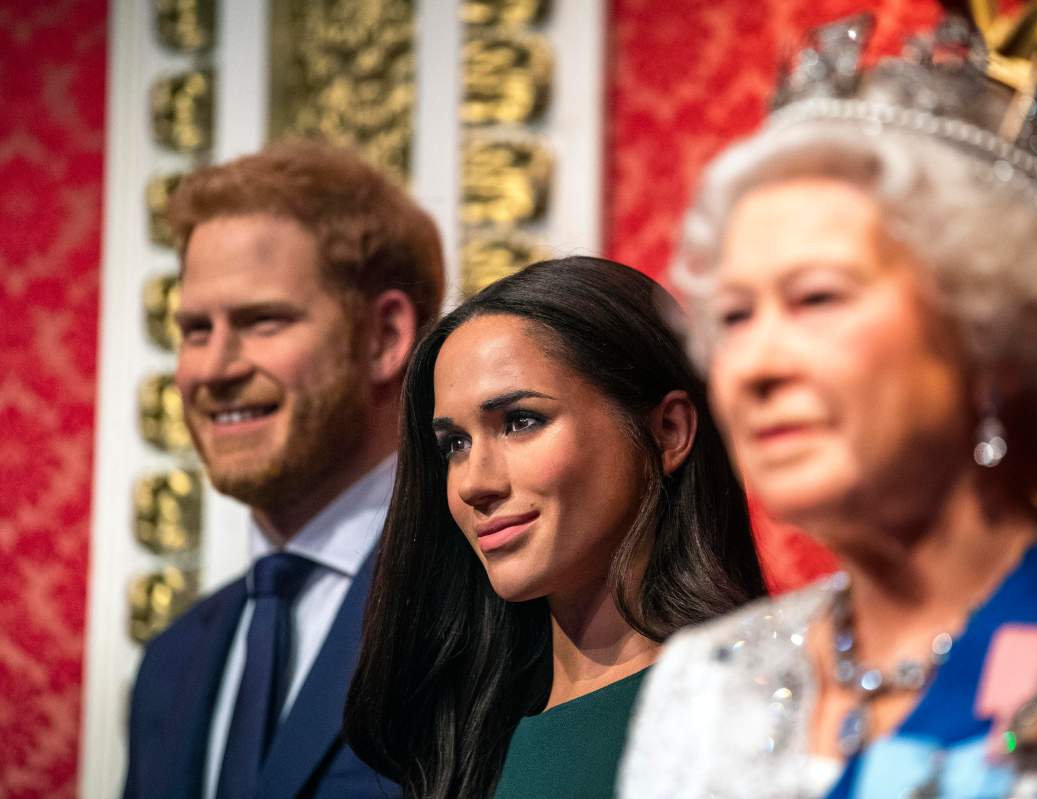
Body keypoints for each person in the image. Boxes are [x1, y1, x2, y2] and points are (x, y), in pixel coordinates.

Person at [619, 15, 1037, 799]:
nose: (751, 365)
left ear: (988, 335)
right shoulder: (706, 689)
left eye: (815, 298)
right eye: (733, 316)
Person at [342, 256, 767, 799]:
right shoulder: (459, 740)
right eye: (455, 445)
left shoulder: (761, 704)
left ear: (668, 431)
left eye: (521, 422)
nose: (474, 483)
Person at [122, 141, 444, 799]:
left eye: (261, 321)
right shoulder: (167, 665)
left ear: (384, 337)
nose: (214, 369)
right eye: (195, 330)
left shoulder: (486, 615)